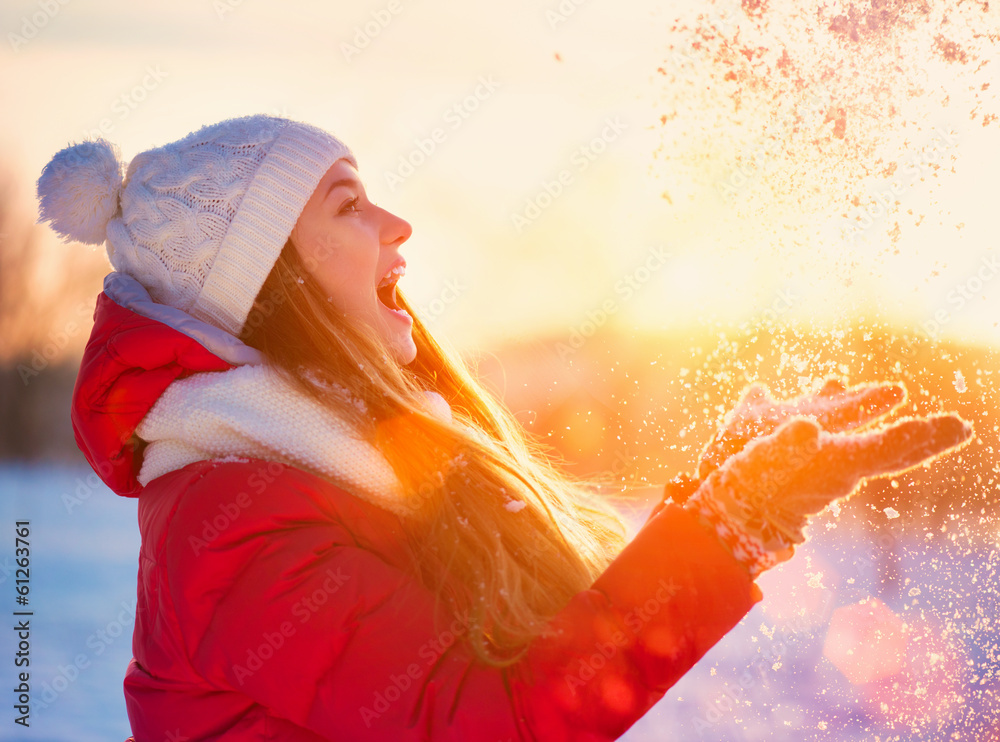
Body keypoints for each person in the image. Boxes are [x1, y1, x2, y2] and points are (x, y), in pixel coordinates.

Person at [37, 115, 972, 741]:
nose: (397, 226)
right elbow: (494, 720)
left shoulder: (343, 465)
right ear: (264, 279)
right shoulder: (230, 526)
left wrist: (729, 488)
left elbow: (551, 649)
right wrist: (733, 518)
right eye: (349, 206)